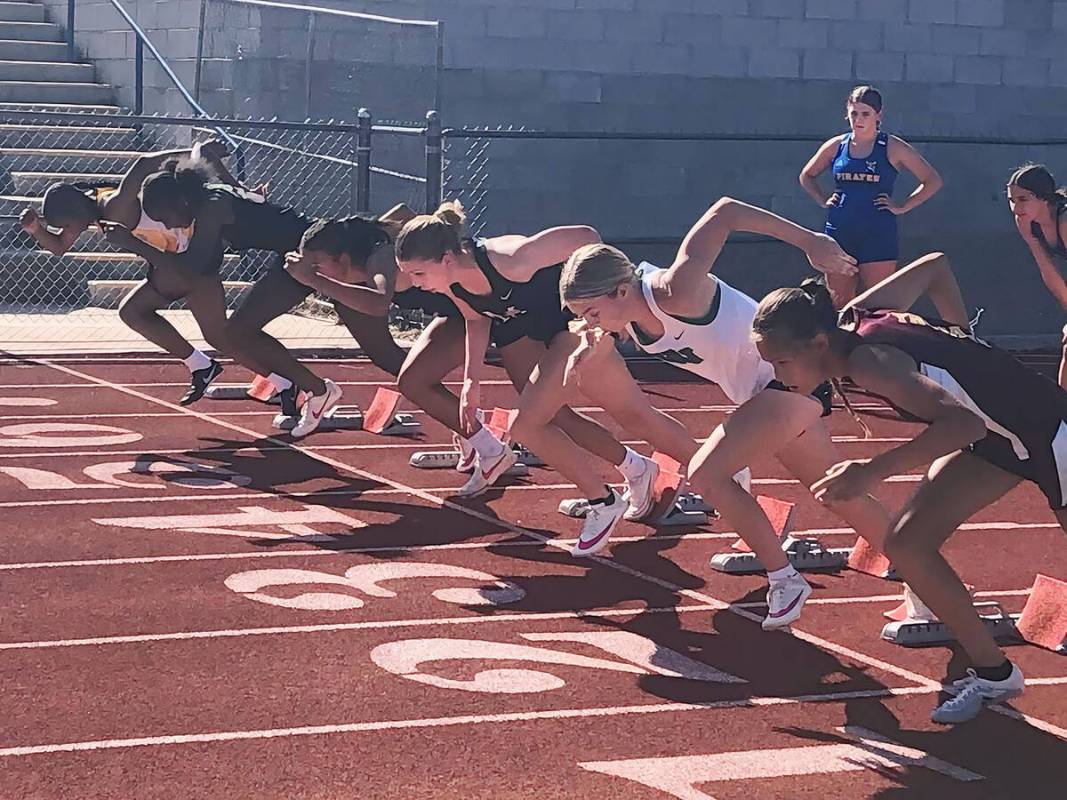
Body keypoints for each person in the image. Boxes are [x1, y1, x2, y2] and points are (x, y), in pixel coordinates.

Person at [750, 251, 1056, 723]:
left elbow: (962, 425)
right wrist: (965, 345)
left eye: (782, 362)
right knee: (907, 544)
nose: (778, 375)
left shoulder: (871, 361)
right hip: (1003, 439)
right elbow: (936, 265)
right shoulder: (853, 320)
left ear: (815, 343)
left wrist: (869, 472)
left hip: (1050, 434)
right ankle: (995, 673)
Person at [559, 196, 891, 629]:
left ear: (621, 291)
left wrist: (810, 241)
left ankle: (785, 579)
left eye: (592, 312)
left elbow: (726, 211)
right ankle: (928, 580)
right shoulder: (625, 316)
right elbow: (591, 361)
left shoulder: (675, 290)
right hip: (770, 391)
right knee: (838, 492)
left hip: (789, 376)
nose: (590, 322)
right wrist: (586, 348)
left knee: (706, 473)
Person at [394, 201, 662, 547]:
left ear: (446, 259)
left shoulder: (513, 258)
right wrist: (470, 383)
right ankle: (636, 468)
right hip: (519, 328)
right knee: (552, 418)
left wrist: (611, 302)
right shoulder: (451, 282)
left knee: (541, 420)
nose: (415, 285)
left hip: (566, 322)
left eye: (418, 274)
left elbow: (586, 236)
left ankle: (605, 500)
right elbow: (476, 319)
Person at [113, 156, 341, 436]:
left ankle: (318, 390)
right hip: (295, 252)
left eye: (167, 218)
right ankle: (309, 388)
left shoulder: (212, 207)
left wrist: (134, 244)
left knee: (239, 332)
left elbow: (192, 267)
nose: (171, 226)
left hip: (312, 253)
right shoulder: (206, 199)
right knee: (238, 332)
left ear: (181, 202)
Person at [19, 141, 235, 404]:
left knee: (220, 335)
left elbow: (143, 163)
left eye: (65, 225)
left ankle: (282, 380)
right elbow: (60, 247)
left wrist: (194, 155)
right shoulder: (93, 207)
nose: (67, 231)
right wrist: (35, 230)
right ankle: (213, 368)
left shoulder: (114, 207)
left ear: (75, 212)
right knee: (142, 313)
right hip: (178, 261)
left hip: (196, 256)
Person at [800, 85, 942, 306]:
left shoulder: (891, 146)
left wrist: (902, 206)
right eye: (854, 113)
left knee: (877, 303)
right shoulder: (837, 145)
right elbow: (807, 175)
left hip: (877, 232)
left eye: (865, 114)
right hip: (840, 230)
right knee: (839, 303)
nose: (859, 119)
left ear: (878, 115)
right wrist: (822, 199)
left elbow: (932, 180)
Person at [1007, 163, 1067, 388]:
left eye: (1023, 199)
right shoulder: (1028, 224)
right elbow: (1050, 273)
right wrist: (1030, 239)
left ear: (1043, 198)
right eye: (1012, 200)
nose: (1015, 208)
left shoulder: (1065, 222)